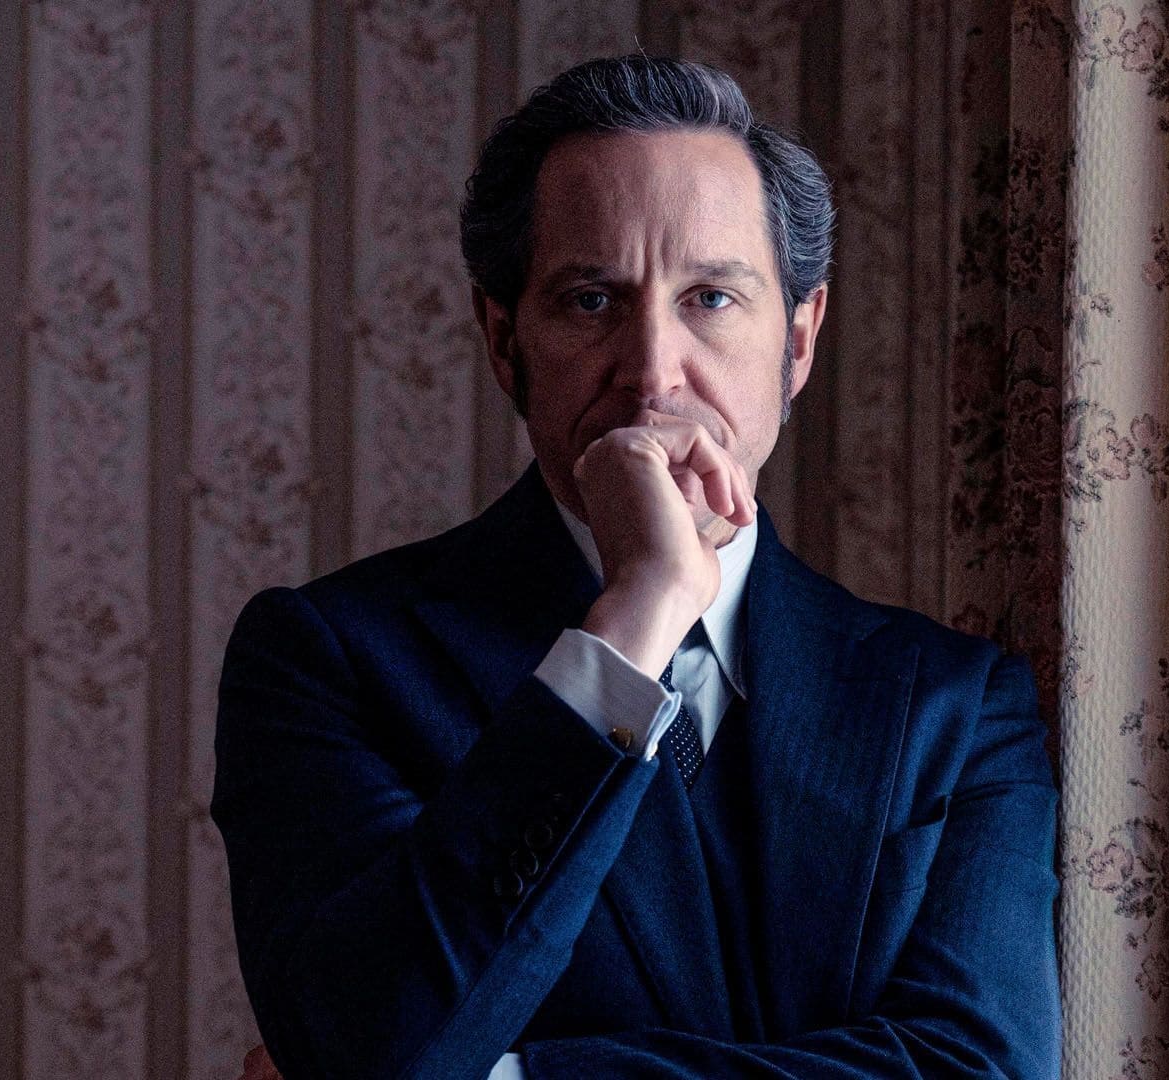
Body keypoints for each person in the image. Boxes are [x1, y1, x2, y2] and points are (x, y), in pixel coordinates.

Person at [212, 55, 1059, 1079]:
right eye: (590, 301)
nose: (653, 372)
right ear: (504, 342)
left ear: (797, 342)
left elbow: (984, 1067)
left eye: (711, 297)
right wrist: (638, 614)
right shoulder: (328, 660)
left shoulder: (958, 706)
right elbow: (373, 1050)